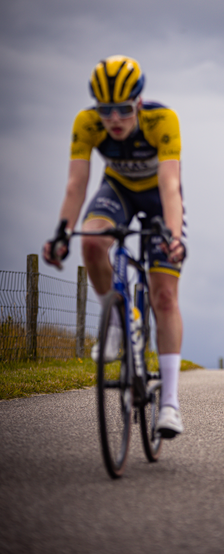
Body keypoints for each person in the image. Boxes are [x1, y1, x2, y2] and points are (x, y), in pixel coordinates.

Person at [43, 55, 187, 437]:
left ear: (139, 102)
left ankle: (170, 405)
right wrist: (62, 232)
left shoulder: (163, 121)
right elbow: (76, 185)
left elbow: (171, 186)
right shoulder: (86, 124)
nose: (115, 120)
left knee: (165, 297)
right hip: (118, 192)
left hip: (158, 198)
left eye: (123, 110)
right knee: (90, 242)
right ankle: (117, 322)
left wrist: (173, 236)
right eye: (106, 111)